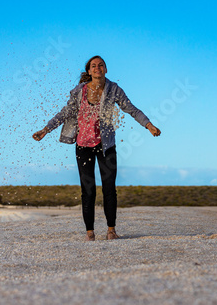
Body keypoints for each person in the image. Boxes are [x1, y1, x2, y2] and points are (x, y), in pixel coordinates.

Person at [32, 55, 161, 241]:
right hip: (83, 145)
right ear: (89, 71)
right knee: (88, 189)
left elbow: (131, 109)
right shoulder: (79, 91)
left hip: (106, 145)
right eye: (94, 66)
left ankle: (111, 230)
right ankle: (90, 233)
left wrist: (148, 125)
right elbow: (64, 113)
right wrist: (46, 130)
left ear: (106, 69)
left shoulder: (113, 89)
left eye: (101, 65)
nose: (97, 68)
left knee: (109, 188)